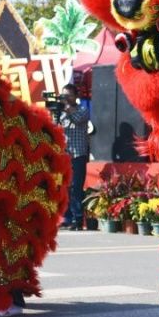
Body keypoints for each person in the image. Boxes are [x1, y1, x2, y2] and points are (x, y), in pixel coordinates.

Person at [58, 83, 89, 231]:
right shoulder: (61, 112)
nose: (66, 98)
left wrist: (66, 108)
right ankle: (66, 218)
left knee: (76, 188)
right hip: (64, 155)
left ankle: (78, 219)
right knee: (64, 187)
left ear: (76, 96)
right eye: (63, 95)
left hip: (78, 155)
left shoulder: (82, 110)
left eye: (68, 95)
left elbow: (77, 119)